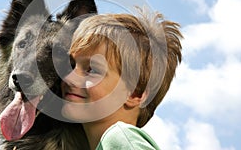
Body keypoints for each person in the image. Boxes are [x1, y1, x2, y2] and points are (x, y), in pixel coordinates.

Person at [60, 9, 183, 150]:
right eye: (72, 65)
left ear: (135, 93)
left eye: (92, 70)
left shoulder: (119, 138)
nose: (69, 78)